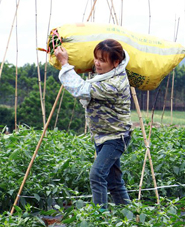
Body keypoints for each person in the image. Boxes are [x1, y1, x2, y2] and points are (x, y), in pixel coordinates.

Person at [54, 39, 132, 208]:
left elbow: (81, 89)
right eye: (96, 58)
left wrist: (65, 63)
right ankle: (131, 220)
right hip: (103, 136)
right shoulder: (107, 74)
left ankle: (100, 221)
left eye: (102, 60)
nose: (96, 63)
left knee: (97, 175)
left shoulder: (115, 84)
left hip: (116, 137)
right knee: (114, 182)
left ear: (116, 62)